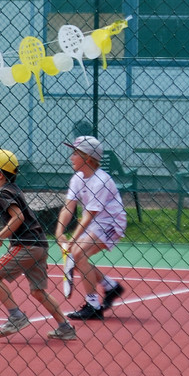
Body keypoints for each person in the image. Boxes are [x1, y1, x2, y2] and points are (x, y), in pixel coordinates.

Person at [0, 148, 77, 341]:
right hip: (39, 245)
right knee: (38, 291)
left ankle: (16, 316)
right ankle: (65, 327)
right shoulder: (13, 190)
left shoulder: (4, 193)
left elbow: (18, 218)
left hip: (28, 245)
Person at [55, 136, 127, 321]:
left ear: (87, 158)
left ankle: (93, 305)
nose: (71, 157)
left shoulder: (101, 181)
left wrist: (72, 239)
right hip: (96, 223)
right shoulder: (77, 178)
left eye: (75, 153)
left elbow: (89, 216)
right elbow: (69, 206)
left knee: (78, 254)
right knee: (79, 256)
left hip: (112, 223)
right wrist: (59, 232)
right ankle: (110, 286)